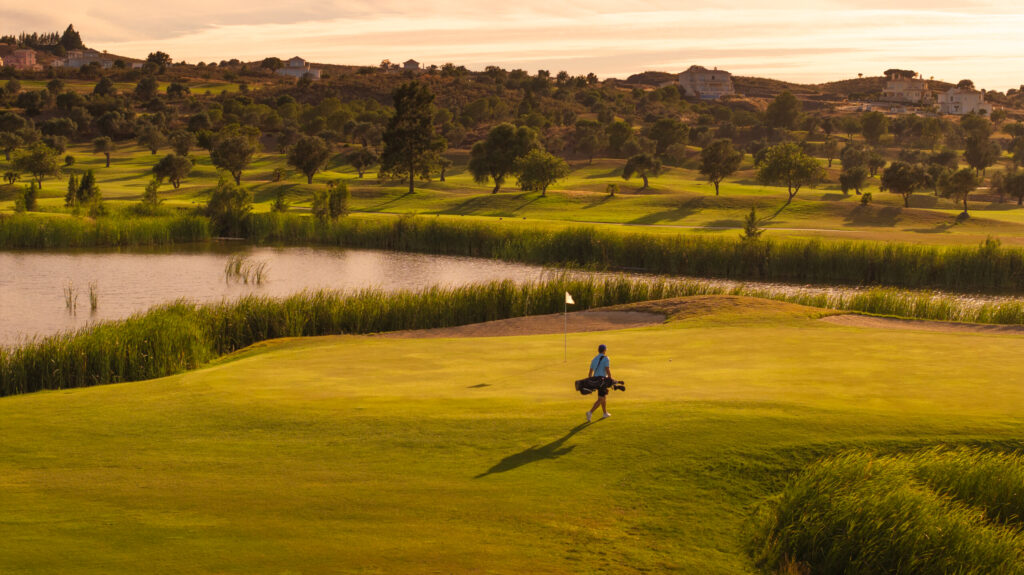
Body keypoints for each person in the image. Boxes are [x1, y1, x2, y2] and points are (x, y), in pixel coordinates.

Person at [586, 344, 612, 422]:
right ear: (604, 350)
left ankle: (605, 413)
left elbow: (590, 373)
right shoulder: (606, 358)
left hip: (596, 381)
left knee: (603, 397)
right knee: (601, 399)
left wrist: (590, 382)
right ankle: (590, 412)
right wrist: (610, 378)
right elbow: (607, 369)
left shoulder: (594, 359)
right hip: (602, 381)